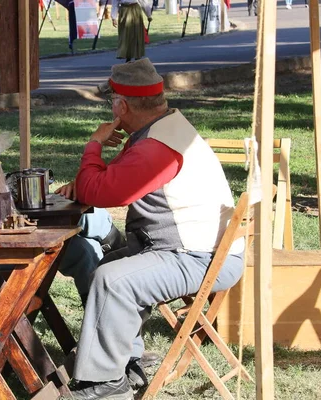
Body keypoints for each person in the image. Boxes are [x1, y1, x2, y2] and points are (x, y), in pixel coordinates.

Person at [69, 58, 245, 400]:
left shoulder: (156, 146)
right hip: (194, 250)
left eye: (112, 103)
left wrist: (93, 145)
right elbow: (109, 180)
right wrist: (93, 175)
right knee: (106, 267)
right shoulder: (165, 128)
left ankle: (106, 385)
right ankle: (126, 361)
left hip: (199, 258)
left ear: (121, 106)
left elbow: (100, 192)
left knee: (112, 280)